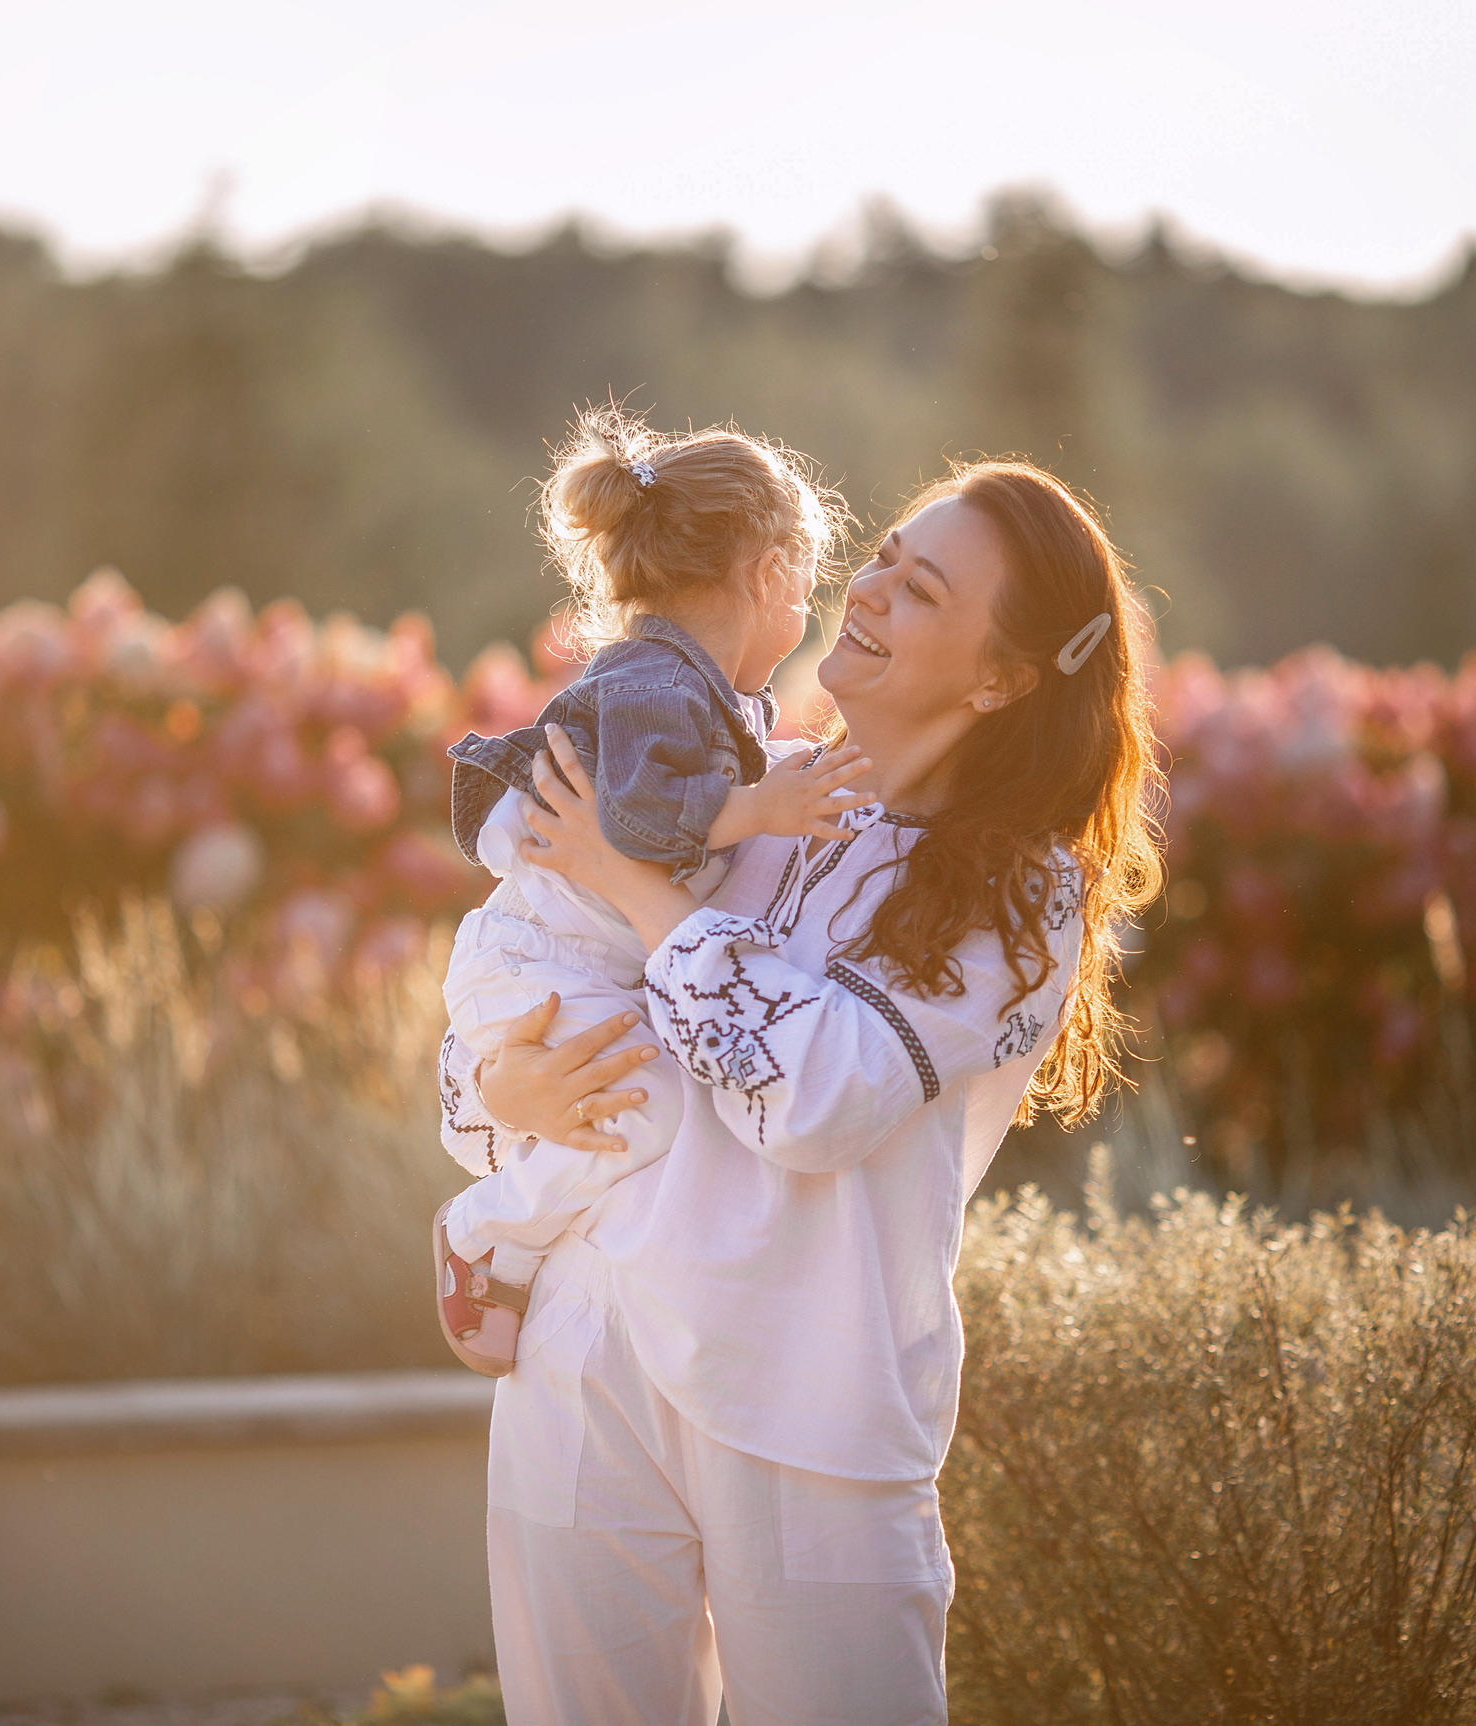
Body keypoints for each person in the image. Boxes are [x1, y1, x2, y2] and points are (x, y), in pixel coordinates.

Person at [434, 460, 1164, 1724]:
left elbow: (813, 1100)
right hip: (590, 1353)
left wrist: (640, 887)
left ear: (998, 676)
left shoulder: (1018, 895)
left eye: (920, 588)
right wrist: (507, 1081)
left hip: (809, 1403)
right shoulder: (726, 779)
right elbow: (503, 1033)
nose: (868, 589)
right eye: (882, 554)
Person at [433, 410, 872, 1374]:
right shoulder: (655, 682)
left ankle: (505, 1241)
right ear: (769, 575)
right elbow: (631, 823)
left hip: (555, 963)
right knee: (646, 1112)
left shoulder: (700, 694)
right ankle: (487, 1236)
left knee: (641, 1108)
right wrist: (757, 811)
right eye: (809, 585)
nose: (810, 614)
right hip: (540, 963)